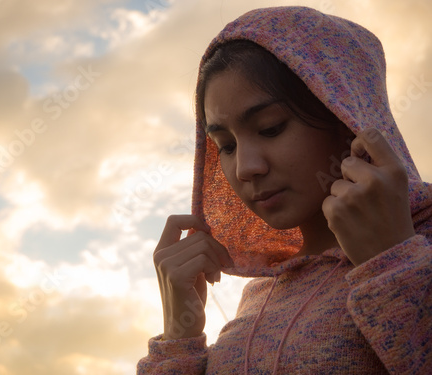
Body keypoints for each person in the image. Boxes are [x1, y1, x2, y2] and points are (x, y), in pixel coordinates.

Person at [137, 6, 432, 374]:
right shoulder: (261, 294)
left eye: (270, 128)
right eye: (225, 146)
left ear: (343, 117)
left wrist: (394, 262)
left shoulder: (421, 245)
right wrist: (180, 337)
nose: (245, 168)